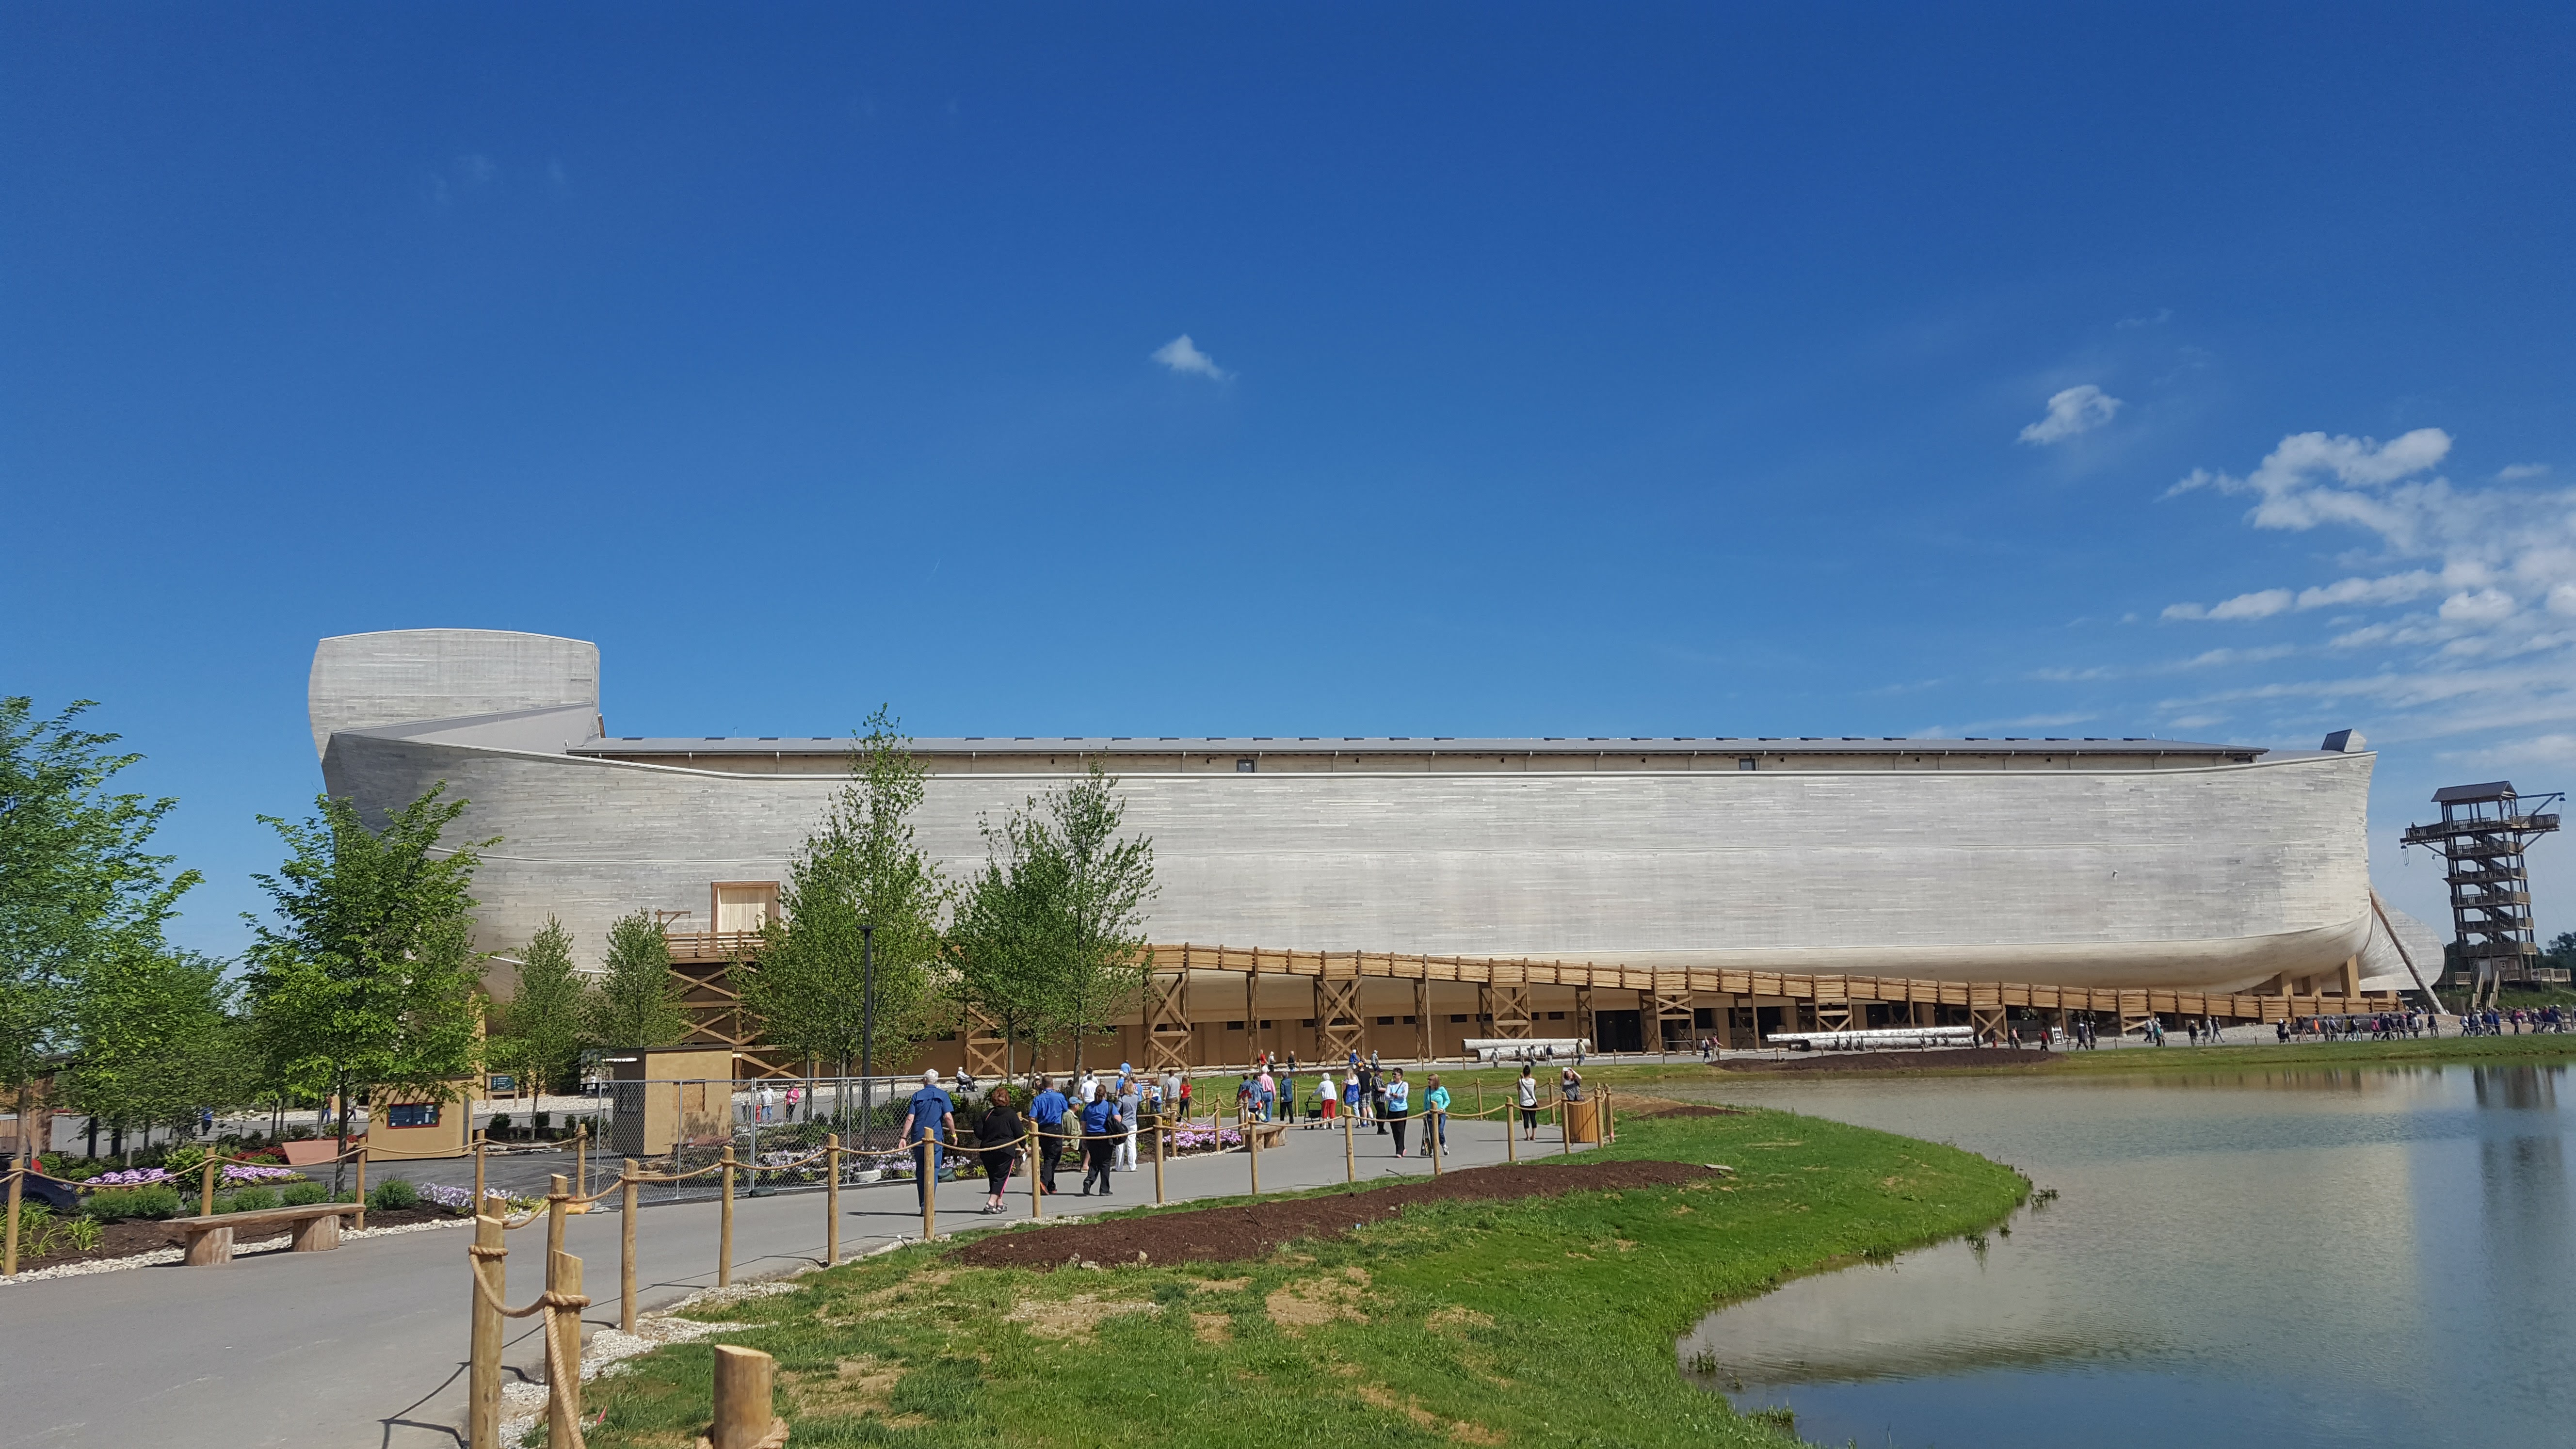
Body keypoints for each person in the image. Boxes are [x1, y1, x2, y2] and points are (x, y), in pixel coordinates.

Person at [899, 1070, 957, 1214]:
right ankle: (929, 1204)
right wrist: (954, 1134)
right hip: (936, 1138)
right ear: (936, 1081)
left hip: (919, 1138)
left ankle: (924, 1205)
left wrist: (903, 1137)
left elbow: (910, 1118)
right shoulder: (943, 1095)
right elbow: (948, 1117)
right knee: (934, 1170)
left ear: (925, 1081)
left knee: (921, 1171)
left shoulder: (917, 1096)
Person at [976, 1087, 1024, 1213]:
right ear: (1007, 1100)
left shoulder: (986, 1114)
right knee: (1001, 1177)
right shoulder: (1011, 1114)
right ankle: (991, 1203)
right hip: (1005, 1150)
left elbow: (978, 1132)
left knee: (994, 1177)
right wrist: (1025, 1146)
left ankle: (999, 1203)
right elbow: (1019, 1133)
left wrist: (988, 1135)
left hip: (987, 1149)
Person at [1079, 1083, 1124, 1195]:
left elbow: (1083, 1124)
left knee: (1094, 1161)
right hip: (1105, 1136)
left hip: (1091, 1136)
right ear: (1105, 1095)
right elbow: (1118, 1119)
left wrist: (1084, 1138)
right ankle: (1104, 1189)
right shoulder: (1109, 1106)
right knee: (1105, 1163)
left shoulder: (1088, 1107)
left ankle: (1089, 1181)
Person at [1028, 1075, 1069, 1194]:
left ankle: (1051, 1185)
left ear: (1042, 1085)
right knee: (1054, 1157)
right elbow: (1066, 1109)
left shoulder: (1038, 1099)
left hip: (1042, 1129)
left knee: (1048, 1157)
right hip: (1055, 1129)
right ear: (1053, 1084)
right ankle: (1044, 1181)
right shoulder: (1059, 1097)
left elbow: (1032, 1117)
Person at [1116, 1073, 1142, 1171]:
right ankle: (1133, 1166)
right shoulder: (1136, 1097)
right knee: (1132, 1145)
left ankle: (1119, 1166)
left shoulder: (1122, 1098)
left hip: (1123, 1124)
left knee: (1120, 1145)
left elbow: (1117, 1110)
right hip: (1133, 1122)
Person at [1385, 1068, 1413, 1157]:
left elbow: (1404, 1096)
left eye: (1395, 1075)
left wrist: (1393, 1095)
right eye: (1393, 1074)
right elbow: (1386, 1096)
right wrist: (1396, 1096)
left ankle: (1399, 1151)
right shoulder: (1390, 1085)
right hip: (1392, 1110)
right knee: (1395, 1131)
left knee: (1400, 1130)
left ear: (1400, 1076)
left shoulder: (1405, 1085)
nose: (1394, 1076)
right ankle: (1401, 1147)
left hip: (1402, 1110)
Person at [1424, 1074, 1449, 1150]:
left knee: (1440, 1131)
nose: (1429, 1081)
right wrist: (1425, 1114)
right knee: (1432, 1132)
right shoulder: (1427, 1090)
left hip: (1440, 1114)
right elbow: (1425, 1102)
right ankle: (1434, 1149)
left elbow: (1448, 1100)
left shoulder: (1442, 1089)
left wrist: (1442, 1108)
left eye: (1430, 1080)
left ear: (1435, 1081)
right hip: (1430, 1114)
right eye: (1428, 1079)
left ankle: (1444, 1144)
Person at [1516, 1065, 1540, 1140]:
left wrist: (1522, 1077)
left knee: (1526, 1119)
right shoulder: (1534, 1081)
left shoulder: (1521, 1081)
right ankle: (1534, 1136)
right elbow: (1535, 1089)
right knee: (1533, 1118)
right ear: (1530, 1073)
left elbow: (1518, 1089)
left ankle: (1528, 1136)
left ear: (1524, 1073)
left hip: (1524, 1102)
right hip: (1532, 1102)